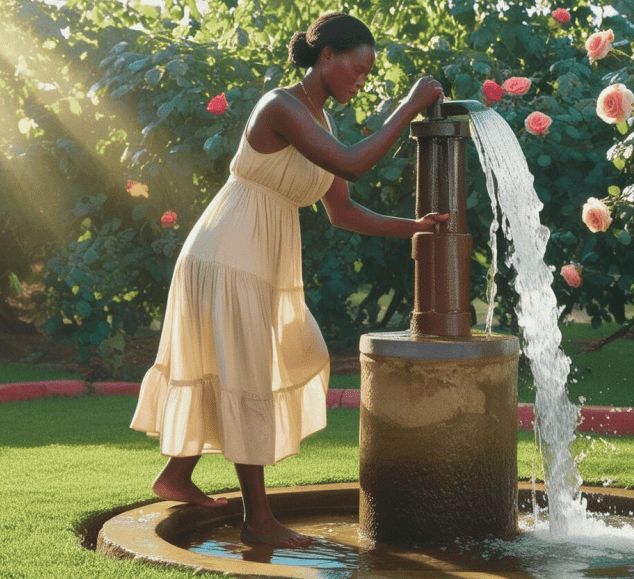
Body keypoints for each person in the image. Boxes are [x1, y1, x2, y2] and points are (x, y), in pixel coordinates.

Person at [129, 11, 446, 548]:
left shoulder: (323, 125)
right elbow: (353, 165)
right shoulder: (280, 106)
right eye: (359, 69)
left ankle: (176, 476)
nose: (362, 81)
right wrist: (409, 106)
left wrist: (413, 228)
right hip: (230, 252)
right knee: (249, 369)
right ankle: (259, 521)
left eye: (369, 74)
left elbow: (343, 211)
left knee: (236, 362)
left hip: (256, 256)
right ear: (326, 58)